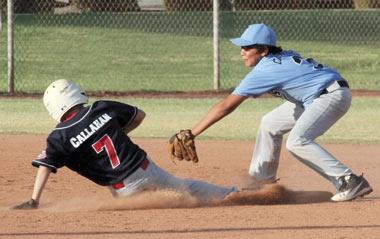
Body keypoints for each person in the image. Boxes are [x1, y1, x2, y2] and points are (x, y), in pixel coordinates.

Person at [186, 23, 372, 202]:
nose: (242, 52)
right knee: (270, 123)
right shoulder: (278, 58)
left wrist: (191, 133)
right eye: (242, 47)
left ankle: (349, 180)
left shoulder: (266, 70)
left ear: (264, 50)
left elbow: (226, 106)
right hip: (317, 95)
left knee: (297, 141)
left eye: (247, 47)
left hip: (330, 95)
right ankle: (261, 184)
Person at [14, 79, 236, 209]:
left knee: (148, 214)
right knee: (186, 188)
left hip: (123, 190)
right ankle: (232, 194)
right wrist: (116, 132)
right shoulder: (100, 108)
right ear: (76, 93)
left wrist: (34, 200)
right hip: (146, 169)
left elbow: (45, 165)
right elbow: (139, 115)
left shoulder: (58, 137)